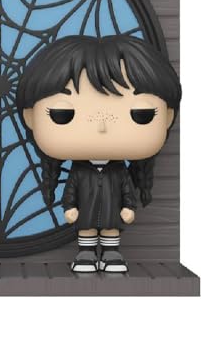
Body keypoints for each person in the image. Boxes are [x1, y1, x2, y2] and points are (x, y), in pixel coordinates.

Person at [16, 35, 181, 272]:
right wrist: (70, 206)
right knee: (87, 232)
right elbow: (71, 190)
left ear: (167, 117)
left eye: (141, 113)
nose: (102, 126)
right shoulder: (80, 171)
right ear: (31, 117)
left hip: (112, 213)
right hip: (88, 213)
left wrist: (129, 207)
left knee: (112, 232)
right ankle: (86, 254)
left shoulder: (118, 171)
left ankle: (111, 254)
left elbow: (126, 190)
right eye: (63, 114)